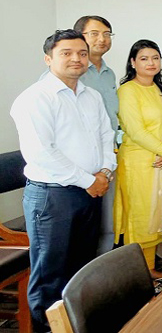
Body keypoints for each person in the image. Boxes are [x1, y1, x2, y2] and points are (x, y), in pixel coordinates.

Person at [11, 29, 115, 332]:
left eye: (82, 53)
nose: (76, 59)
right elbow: (42, 153)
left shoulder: (91, 95)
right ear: (48, 59)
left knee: (81, 269)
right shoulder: (34, 98)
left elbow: (106, 137)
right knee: (50, 275)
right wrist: (89, 180)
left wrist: (105, 172)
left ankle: (76, 326)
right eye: (66, 53)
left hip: (90, 193)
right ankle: (46, 328)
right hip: (52, 197)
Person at [116, 39, 162, 278]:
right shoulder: (127, 91)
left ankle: (161, 265)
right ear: (132, 62)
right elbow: (135, 130)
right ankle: (142, 273)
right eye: (144, 58)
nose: (151, 63)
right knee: (142, 216)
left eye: (155, 58)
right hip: (141, 164)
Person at [74, 15, 120, 255]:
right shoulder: (73, 72)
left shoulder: (109, 73)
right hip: (81, 162)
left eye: (106, 34)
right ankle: (82, 274)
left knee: (107, 220)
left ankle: (103, 269)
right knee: (84, 224)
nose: (102, 39)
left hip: (108, 157)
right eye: (94, 34)